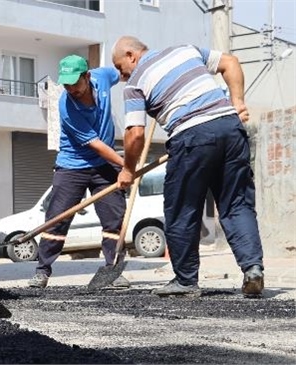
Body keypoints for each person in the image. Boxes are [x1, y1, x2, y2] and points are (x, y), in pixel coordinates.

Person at [112, 36, 264, 298]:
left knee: (182, 209)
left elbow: (135, 133)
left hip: (191, 138)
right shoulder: (185, 50)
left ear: (131, 55)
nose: (121, 76)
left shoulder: (136, 82)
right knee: (236, 204)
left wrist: (127, 169)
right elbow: (230, 62)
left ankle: (185, 280)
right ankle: (253, 268)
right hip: (230, 128)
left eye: (119, 67)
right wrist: (237, 101)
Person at [28, 55, 128, 289]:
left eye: (76, 82)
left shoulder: (103, 77)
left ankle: (113, 269)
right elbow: (97, 146)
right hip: (73, 164)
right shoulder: (66, 106)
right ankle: (42, 271)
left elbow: (124, 72)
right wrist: (127, 166)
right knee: (57, 219)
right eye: (67, 84)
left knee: (114, 218)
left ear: (87, 76)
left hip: (104, 166)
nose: (71, 88)